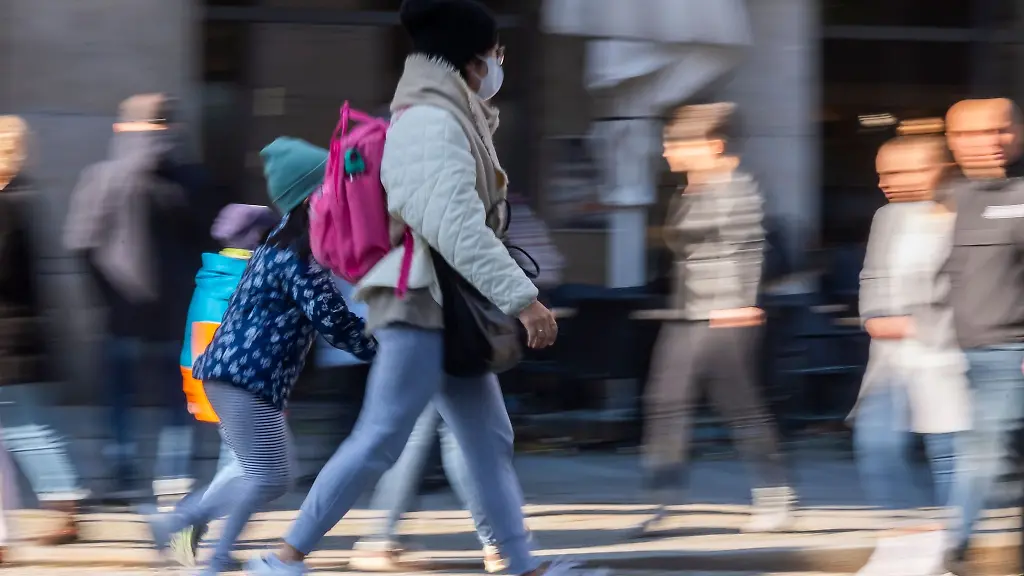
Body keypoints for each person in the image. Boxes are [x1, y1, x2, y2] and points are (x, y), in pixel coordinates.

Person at [246, 2, 598, 575]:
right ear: (472, 56)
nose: (501, 60)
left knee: (485, 437)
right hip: (418, 299)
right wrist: (524, 300)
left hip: (444, 302)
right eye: (495, 51)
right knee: (382, 436)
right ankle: (282, 556)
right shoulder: (432, 121)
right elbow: (453, 224)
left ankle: (517, 560)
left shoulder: (448, 115)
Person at [143, 136, 377, 575]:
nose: (339, 197)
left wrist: (358, 159)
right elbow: (330, 317)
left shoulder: (285, 239)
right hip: (243, 378)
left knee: (263, 474)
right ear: (311, 197)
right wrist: (380, 350)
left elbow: (341, 171)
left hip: (241, 377)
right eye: (329, 188)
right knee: (267, 476)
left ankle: (197, 543)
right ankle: (187, 533)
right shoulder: (296, 254)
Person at [634, 103, 793, 536]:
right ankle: (663, 501)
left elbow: (748, 247)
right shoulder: (690, 191)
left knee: (740, 407)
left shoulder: (737, 189)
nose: (667, 151)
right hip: (688, 312)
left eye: (677, 143)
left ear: (714, 146)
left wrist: (740, 301)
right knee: (664, 400)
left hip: (725, 313)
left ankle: (774, 496)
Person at [64, 94, 225, 503]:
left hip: (123, 314)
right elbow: (216, 247)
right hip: (177, 313)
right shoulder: (194, 180)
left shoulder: (102, 177)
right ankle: (173, 477)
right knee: (177, 398)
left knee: (120, 396)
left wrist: (105, 297)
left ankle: (124, 469)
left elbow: (81, 244)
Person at [852, 130, 969, 576]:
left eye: (899, 172)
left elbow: (982, 287)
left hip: (949, 356)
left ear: (939, 168)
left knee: (948, 453)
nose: (885, 182)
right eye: (882, 173)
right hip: (893, 356)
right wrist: (873, 317)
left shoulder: (967, 213)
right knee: (876, 442)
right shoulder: (888, 217)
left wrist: (926, 325)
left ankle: (945, 551)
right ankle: (907, 541)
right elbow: (872, 276)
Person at [167, 203, 280, 567]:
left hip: (206, 379)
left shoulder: (217, 272)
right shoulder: (247, 279)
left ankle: (217, 544)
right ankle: (188, 520)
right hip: (236, 385)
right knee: (247, 468)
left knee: (236, 463)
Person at [940, 97, 1024, 575]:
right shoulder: (950, 196)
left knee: (980, 450)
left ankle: (957, 547)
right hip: (954, 353)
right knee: (999, 460)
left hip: (1007, 352)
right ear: (952, 141)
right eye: (974, 133)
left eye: (1001, 129)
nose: (991, 142)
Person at [0, 115, 89, 544]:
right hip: (19, 332)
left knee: (25, 428)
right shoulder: (24, 195)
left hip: (8, 337)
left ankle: (67, 505)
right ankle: (66, 504)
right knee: (27, 426)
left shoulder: (8, 202)